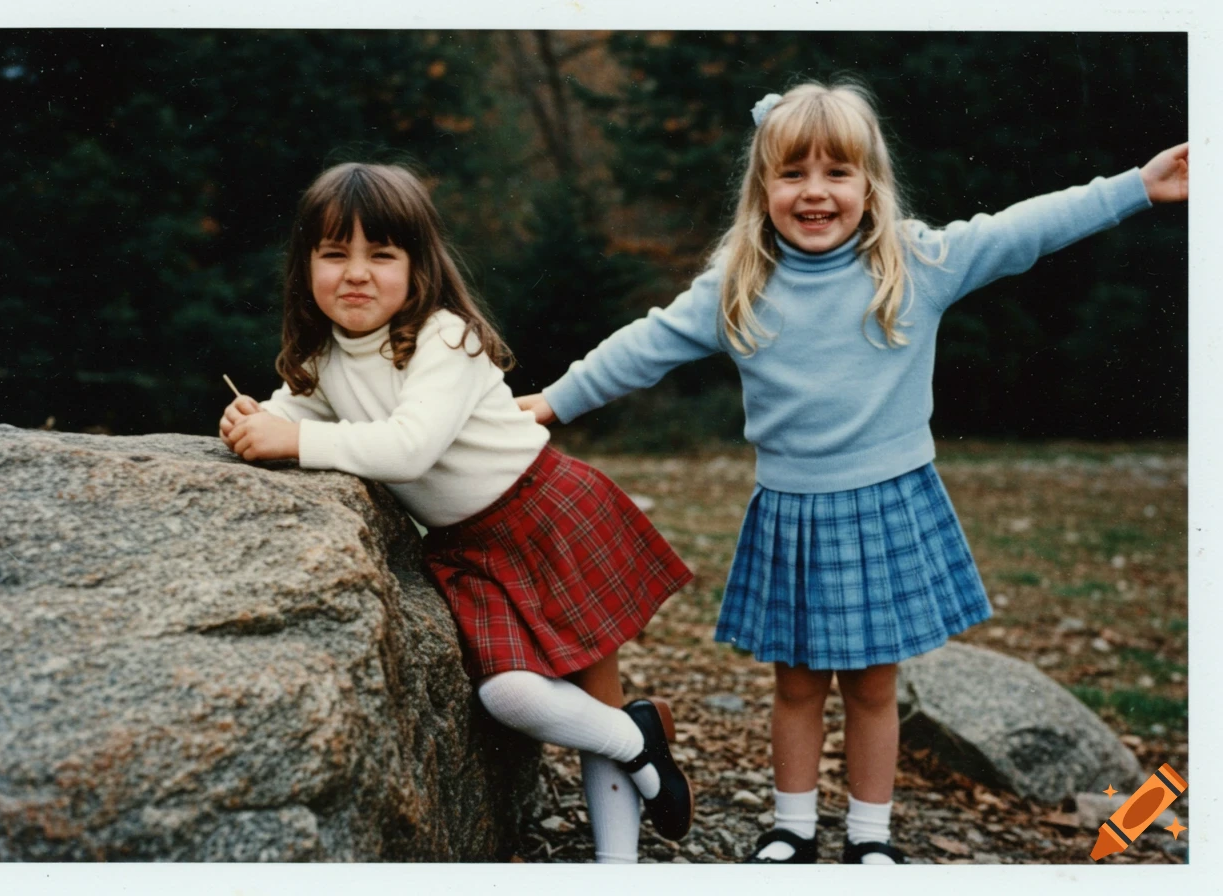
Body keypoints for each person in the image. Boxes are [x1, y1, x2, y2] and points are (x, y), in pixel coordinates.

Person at [516, 80, 1189, 864]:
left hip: (888, 508)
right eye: (792, 173)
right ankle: (791, 829)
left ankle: (870, 838)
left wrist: (1137, 187)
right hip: (792, 513)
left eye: (837, 173)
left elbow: (1023, 229)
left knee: (874, 688)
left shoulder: (914, 261)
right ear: (762, 187)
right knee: (797, 686)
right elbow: (646, 345)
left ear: (870, 183)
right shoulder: (739, 280)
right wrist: (557, 402)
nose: (815, 192)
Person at [219, 161, 696, 863]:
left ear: (420, 267)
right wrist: (247, 417)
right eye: (333, 254)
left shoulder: (443, 338)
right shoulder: (324, 355)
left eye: (380, 255)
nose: (355, 273)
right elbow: (288, 408)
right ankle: (639, 739)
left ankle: (615, 865)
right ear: (305, 267)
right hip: (467, 547)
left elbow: (409, 448)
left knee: (597, 686)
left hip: (544, 511)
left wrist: (295, 439)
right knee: (511, 696)